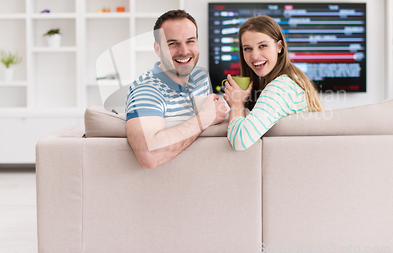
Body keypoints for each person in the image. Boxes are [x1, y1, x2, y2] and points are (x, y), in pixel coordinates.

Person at [126, 10, 227, 168]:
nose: (184, 51)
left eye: (190, 41)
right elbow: (149, 155)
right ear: (157, 49)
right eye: (173, 43)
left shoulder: (201, 78)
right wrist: (205, 118)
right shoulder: (146, 89)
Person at [223, 15, 323, 150]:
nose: (254, 56)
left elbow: (240, 141)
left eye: (262, 46)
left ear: (279, 46)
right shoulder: (293, 78)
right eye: (248, 48)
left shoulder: (280, 87)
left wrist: (236, 103)